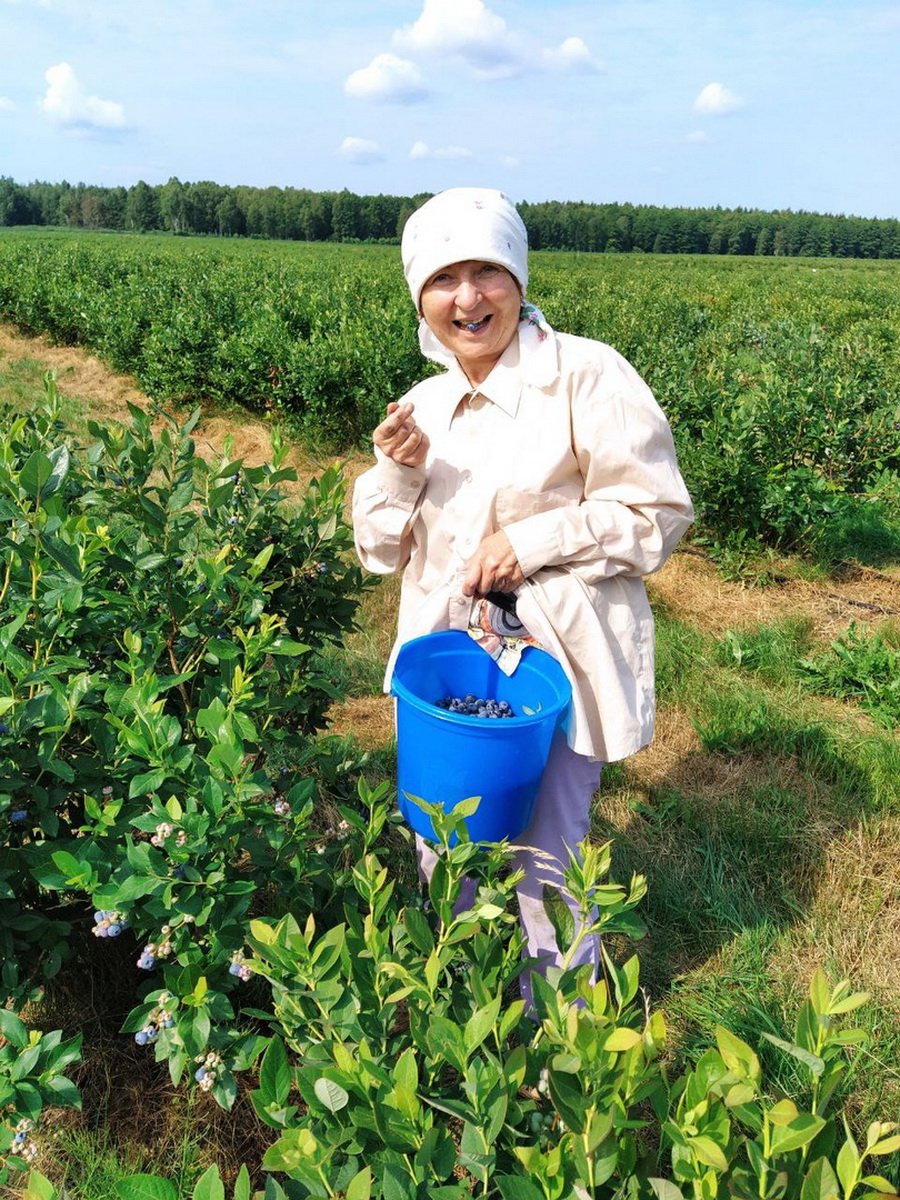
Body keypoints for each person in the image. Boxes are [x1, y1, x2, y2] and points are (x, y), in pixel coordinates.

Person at [352, 187, 693, 1003]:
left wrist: (531, 542)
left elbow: (656, 514)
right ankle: (458, 1015)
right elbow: (377, 552)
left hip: (554, 663)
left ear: (518, 278)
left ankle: (561, 1036)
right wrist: (397, 471)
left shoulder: (585, 376)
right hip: (448, 668)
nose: (467, 297)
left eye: (487, 273)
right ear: (419, 297)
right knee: (444, 846)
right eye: (443, 279)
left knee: (548, 856)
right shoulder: (425, 404)